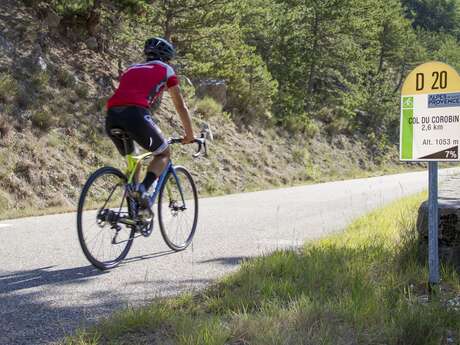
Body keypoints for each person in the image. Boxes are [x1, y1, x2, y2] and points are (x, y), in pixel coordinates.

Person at [105, 37, 195, 212]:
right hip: (136, 114)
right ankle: (143, 189)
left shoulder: (131, 68)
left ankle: (134, 211)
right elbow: (180, 106)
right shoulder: (166, 69)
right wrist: (190, 135)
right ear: (167, 58)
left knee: (135, 162)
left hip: (112, 116)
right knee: (163, 153)